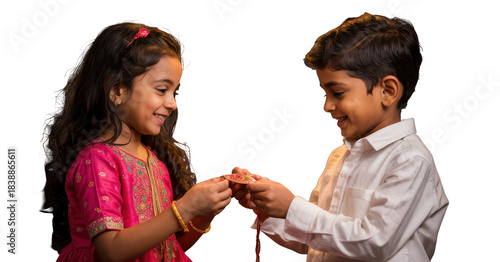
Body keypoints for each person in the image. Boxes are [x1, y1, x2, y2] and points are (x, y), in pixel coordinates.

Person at [232, 13, 448, 261]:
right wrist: (269, 208)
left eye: (337, 92)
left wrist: (291, 207)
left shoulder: (410, 161)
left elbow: (375, 241)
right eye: (325, 93)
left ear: (387, 91)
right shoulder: (339, 157)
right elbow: (313, 239)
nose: (327, 106)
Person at [41, 22, 232, 262]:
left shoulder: (156, 160)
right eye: (162, 89)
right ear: (117, 90)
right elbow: (112, 251)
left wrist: (204, 213)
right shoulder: (97, 160)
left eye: (175, 92)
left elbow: (168, 247)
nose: (172, 103)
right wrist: (185, 208)